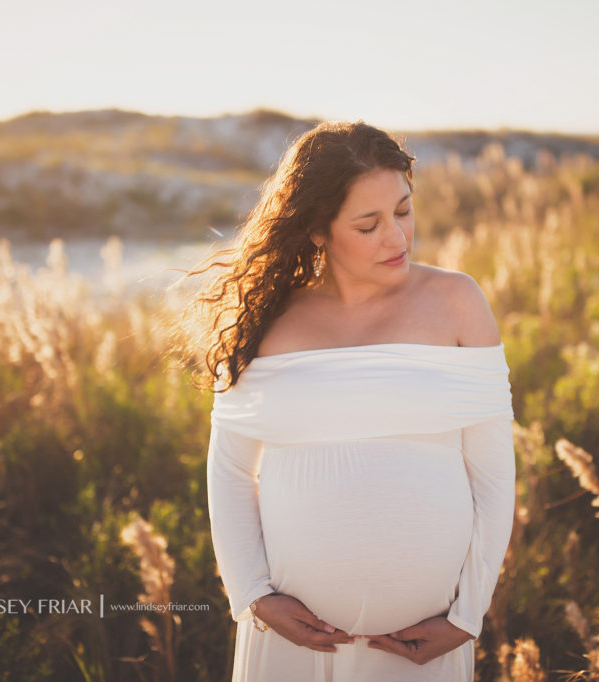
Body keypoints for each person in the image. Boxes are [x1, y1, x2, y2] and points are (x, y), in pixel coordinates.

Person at [176, 121, 515, 681]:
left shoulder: (457, 302)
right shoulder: (268, 321)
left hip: (424, 646)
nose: (397, 237)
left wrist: (468, 614)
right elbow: (232, 469)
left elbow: (493, 474)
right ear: (316, 229)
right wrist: (254, 595)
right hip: (292, 648)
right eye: (368, 224)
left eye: (404, 211)